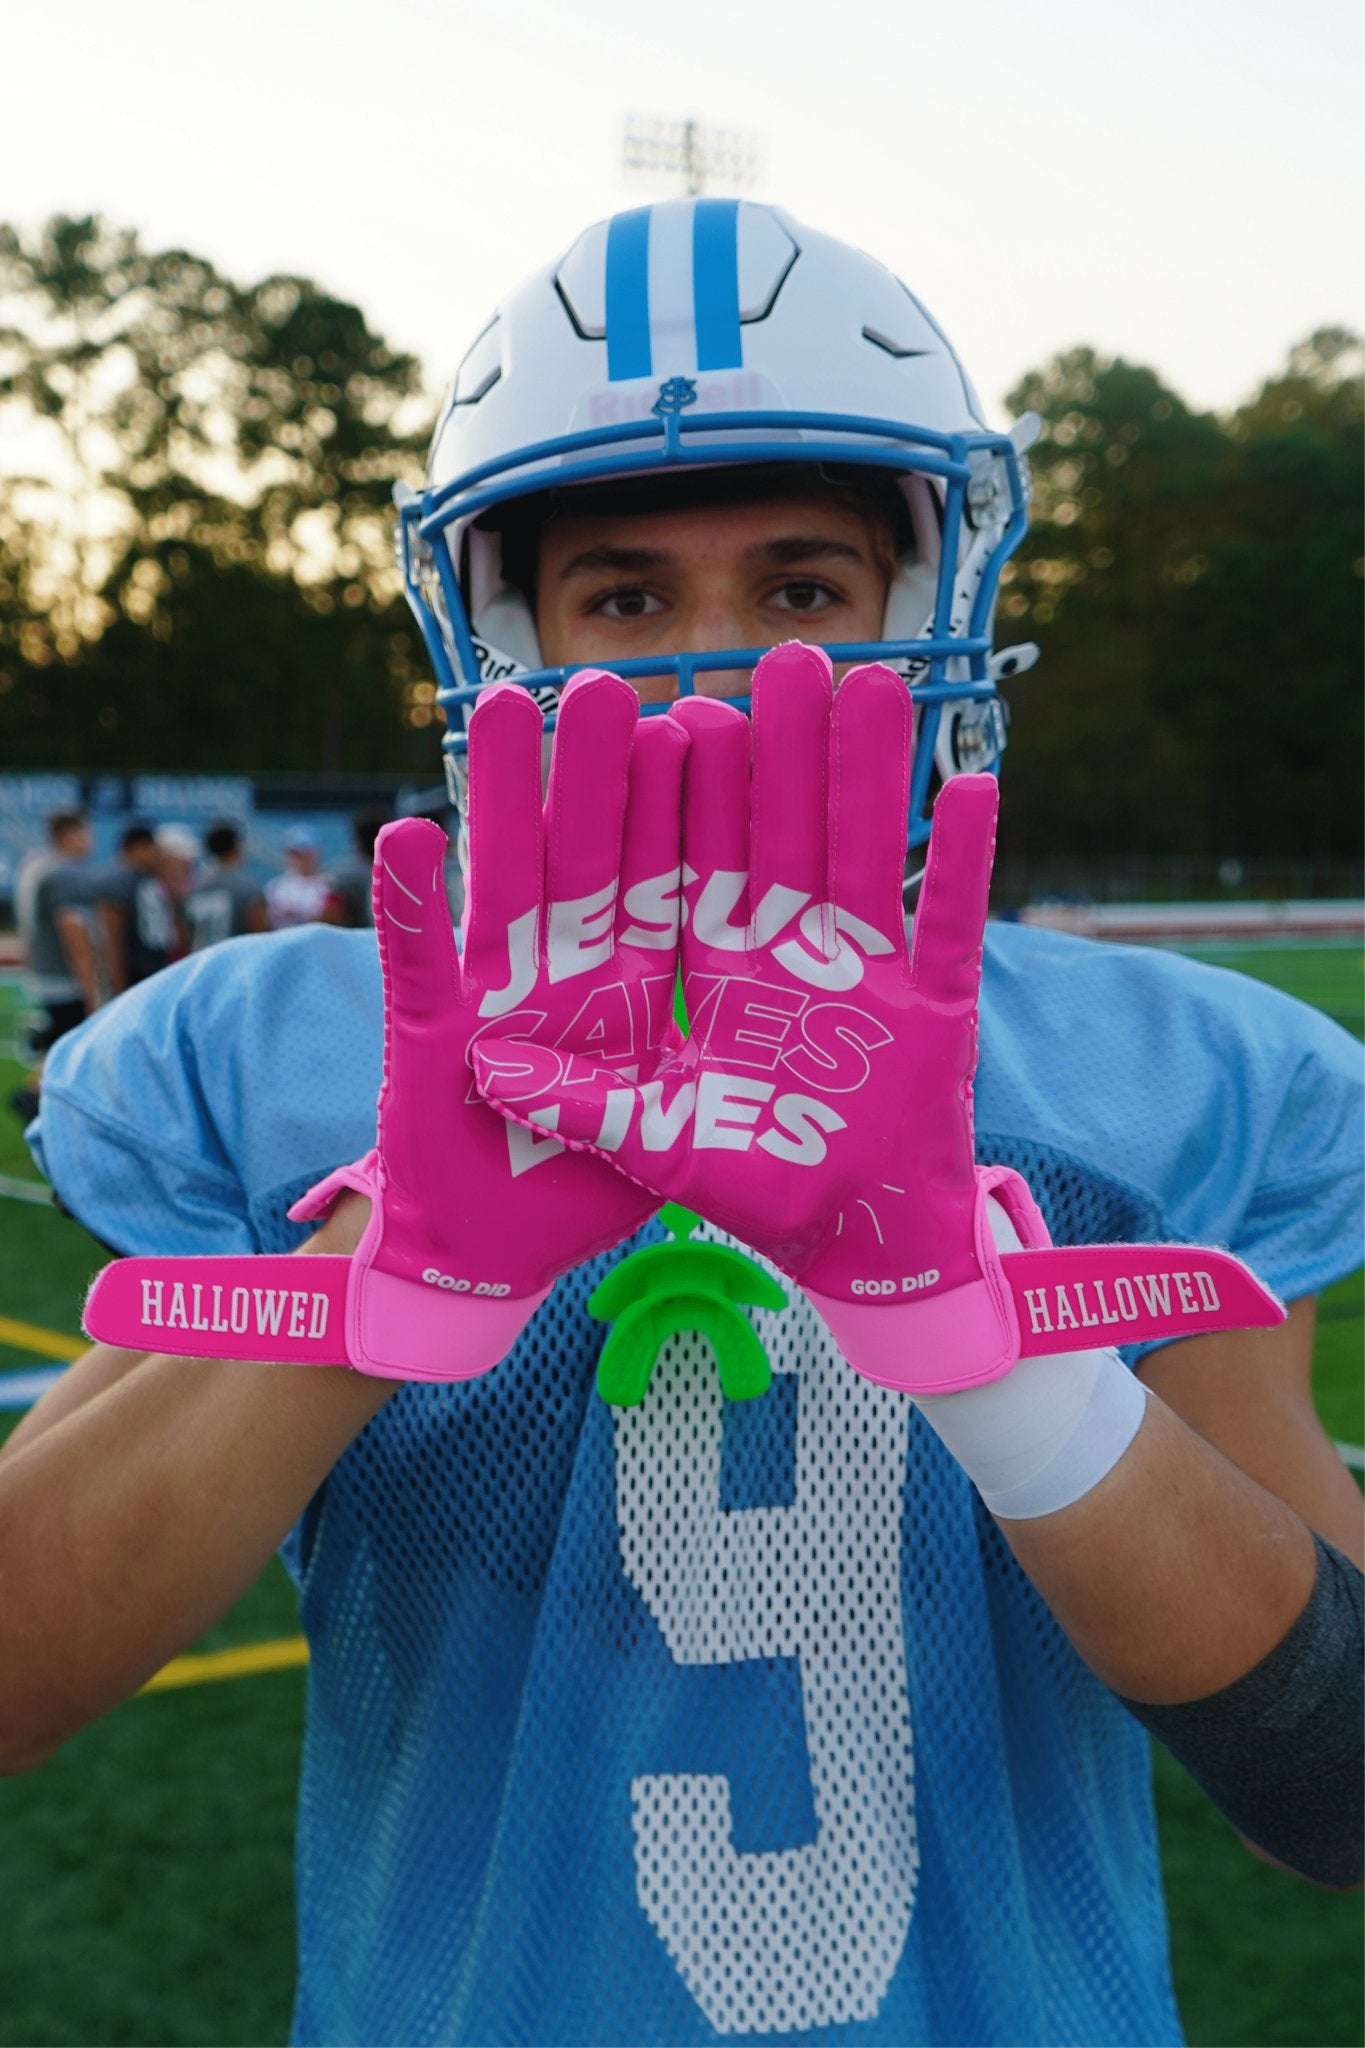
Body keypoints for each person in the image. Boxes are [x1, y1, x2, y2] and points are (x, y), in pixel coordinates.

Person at [3, 200, 1361, 2048]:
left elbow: (1336, 1787)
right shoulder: (280, 1053)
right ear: (505, 629)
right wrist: (382, 1263)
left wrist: (999, 1359)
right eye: (625, 593)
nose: (720, 670)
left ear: (929, 602)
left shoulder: (1166, 1079)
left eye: (802, 587)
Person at [7, 806, 101, 1122]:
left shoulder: (38, 867)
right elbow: (74, 934)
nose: (91, 840)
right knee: (69, 1045)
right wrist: (92, 987)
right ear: (69, 835)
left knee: (58, 1043)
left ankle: (34, 1097)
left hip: (45, 972)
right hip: (63, 976)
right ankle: (34, 1100)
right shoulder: (63, 873)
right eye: (85, 832)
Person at [96, 822, 181, 996]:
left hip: (154, 969)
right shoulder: (118, 882)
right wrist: (117, 987)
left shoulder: (150, 880)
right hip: (134, 973)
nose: (157, 854)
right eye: (151, 848)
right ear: (136, 848)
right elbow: (112, 939)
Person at [183, 820, 268, 951]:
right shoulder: (247, 888)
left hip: (200, 961)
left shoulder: (194, 887)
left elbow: (185, 934)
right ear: (237, 847)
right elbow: (261, 936)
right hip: (234, 963)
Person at [323, 805, 389, 928]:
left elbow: (330, 915)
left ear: (357, 839)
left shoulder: (343, 875)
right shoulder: (401, 873)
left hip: (357, 940)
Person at [264, 824, 334, 929]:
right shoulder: (275, 886)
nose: (301, 859)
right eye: (296, 854)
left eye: (306, 853)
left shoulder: (329, 885)